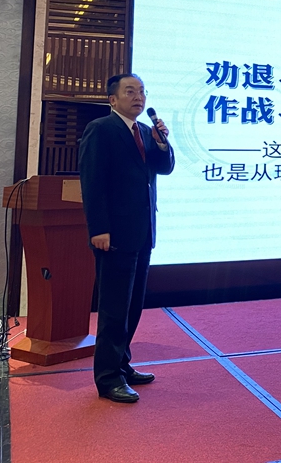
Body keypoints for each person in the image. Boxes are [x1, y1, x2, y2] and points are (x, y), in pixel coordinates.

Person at [78, 73, 174, 403]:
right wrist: (98, 228)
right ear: (113, 99)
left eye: (142, 91)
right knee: (114, 308)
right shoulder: (101, 130)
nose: (139, 97)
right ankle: (107, 378)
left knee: (132, 306)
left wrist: (162, 143)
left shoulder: (146, 131)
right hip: (114, 233)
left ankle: (122, 364)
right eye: (130, 91)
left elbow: (164, 168)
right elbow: (92, 182)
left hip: (143, 230)